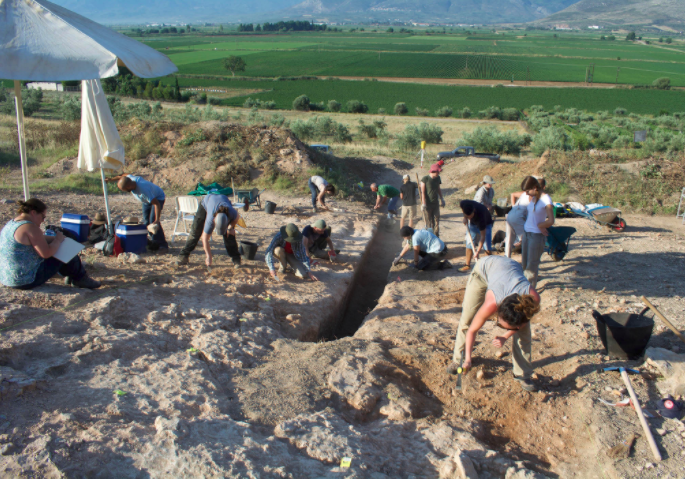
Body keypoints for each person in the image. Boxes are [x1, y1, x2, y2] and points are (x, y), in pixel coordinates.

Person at [447, 256, 541, 392]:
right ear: (498, 310)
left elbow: (523, 324)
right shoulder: (492, 302)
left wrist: (505, 336)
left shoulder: (532, 299)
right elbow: (472, 330)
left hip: (510, 268)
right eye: (501, 324)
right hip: (484, 270)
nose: (500, 328)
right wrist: (467, 359)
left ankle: (522, 374)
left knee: (524, 334)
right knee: (467, 318)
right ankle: (458, 359)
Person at [0, 199, 100, 290]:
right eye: (42, 217)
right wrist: (58, 240)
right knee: (66, 249)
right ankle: (80, 278)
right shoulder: (30, 227)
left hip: (8, 278)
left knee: (63, 245)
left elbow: (38, 239)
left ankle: (72, 277)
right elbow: (46, 253)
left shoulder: (12, 223)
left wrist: (58, 239)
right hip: (26, 279)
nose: (43, 221)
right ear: (33, 213)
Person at [106, 173, 168, 252]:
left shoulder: (143, 189)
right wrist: (111, 179)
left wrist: (157, 220)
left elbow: (156, 204)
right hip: (146, 201)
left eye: (124, 189)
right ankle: (153, 242)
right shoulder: (130, 178)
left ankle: (162, 245)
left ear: (128, 186)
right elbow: (123, 175)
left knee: (153, 221)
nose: (124, 191)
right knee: (146, 221)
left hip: (157, 198)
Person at [175, 194, 241, 267]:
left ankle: (236, 258)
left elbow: (236, 219)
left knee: (230, 234)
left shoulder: (232, 213)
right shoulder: (210, 219)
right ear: (214, 220)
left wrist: (230, 227)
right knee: (196, 231)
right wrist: (208, 256)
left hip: (223, 198)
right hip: (206, 201)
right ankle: (184, 255)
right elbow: (205, 239)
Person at [520, 176, 554, 288]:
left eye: (527, 191)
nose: (526, 194)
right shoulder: (534, 198)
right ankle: (524, 289)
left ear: (535, 188)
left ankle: (529, 293)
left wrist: (541, 225)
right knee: (524, 264)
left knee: (531, 266)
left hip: (536, 236)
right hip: (527, 233)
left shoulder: (546, 200)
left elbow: (551, 220)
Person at [504, 178, 547, 258]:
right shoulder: (533, 196)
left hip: (510, 214)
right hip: (518, 216)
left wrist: (514, 207)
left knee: (509, 239)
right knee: (527, 239)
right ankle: (528, 261)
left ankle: (507, 258)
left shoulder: (525, 193)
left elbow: (513, 194)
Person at [459, 199, 494, 272]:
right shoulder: (463, 203)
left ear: (474, 210)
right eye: (468, 216)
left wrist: (477, 251)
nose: (469, 218)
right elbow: (464, 212)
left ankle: (488, 268)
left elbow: (482, 237)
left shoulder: (481, 217)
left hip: (486, 224)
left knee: (486, 245)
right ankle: (467, 265)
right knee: (469, 242)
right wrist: (465, 218)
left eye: (470, 216)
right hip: (473, 225)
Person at [420, 164, 446, 236]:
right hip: (428, 204)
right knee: (429, 222)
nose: (439, 173)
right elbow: (423, 192)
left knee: (436, 220)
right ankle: (429, 236)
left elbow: (438, 189)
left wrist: (442, 199)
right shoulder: (425, 179)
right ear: (433, 171)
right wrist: (423, 203)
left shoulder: (438, 178)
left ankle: (436, 236)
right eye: (438, 172)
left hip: (435, 203)